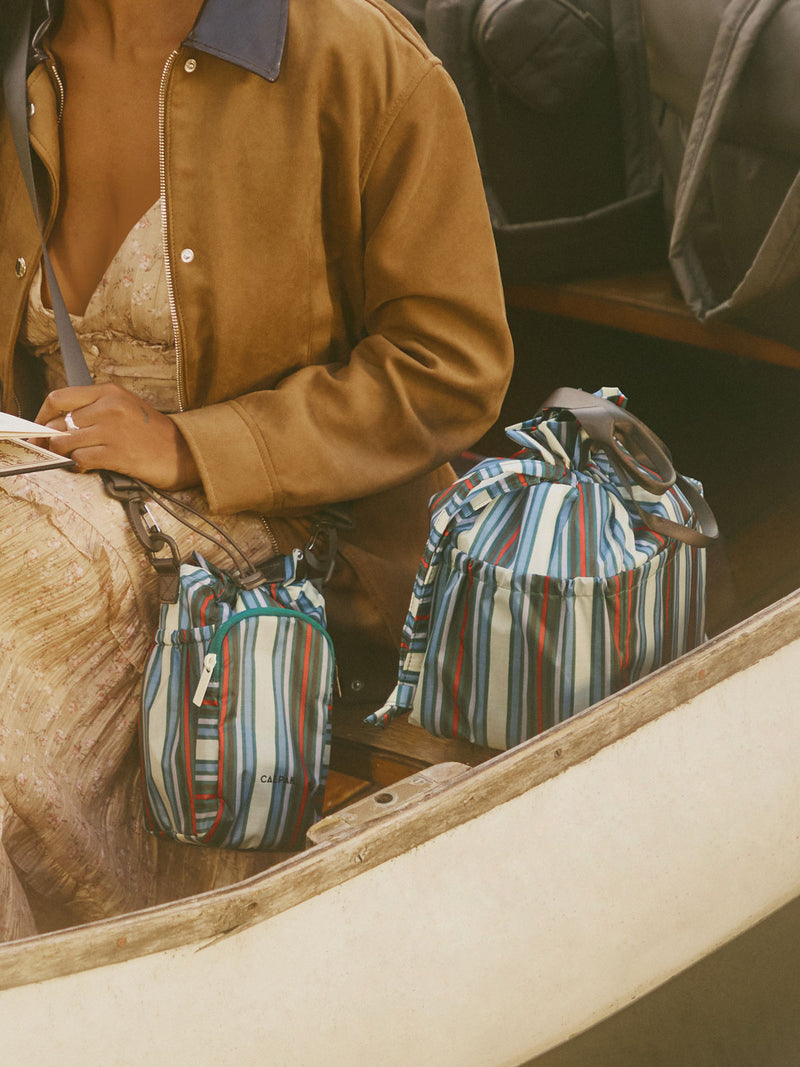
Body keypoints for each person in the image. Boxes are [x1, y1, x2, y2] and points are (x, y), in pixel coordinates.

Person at [0, 0, 513, 940]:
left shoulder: (356, 56)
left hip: (284, 534)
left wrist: (196, 442)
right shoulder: (19, 48)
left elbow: (452, 360)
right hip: (37, 497)